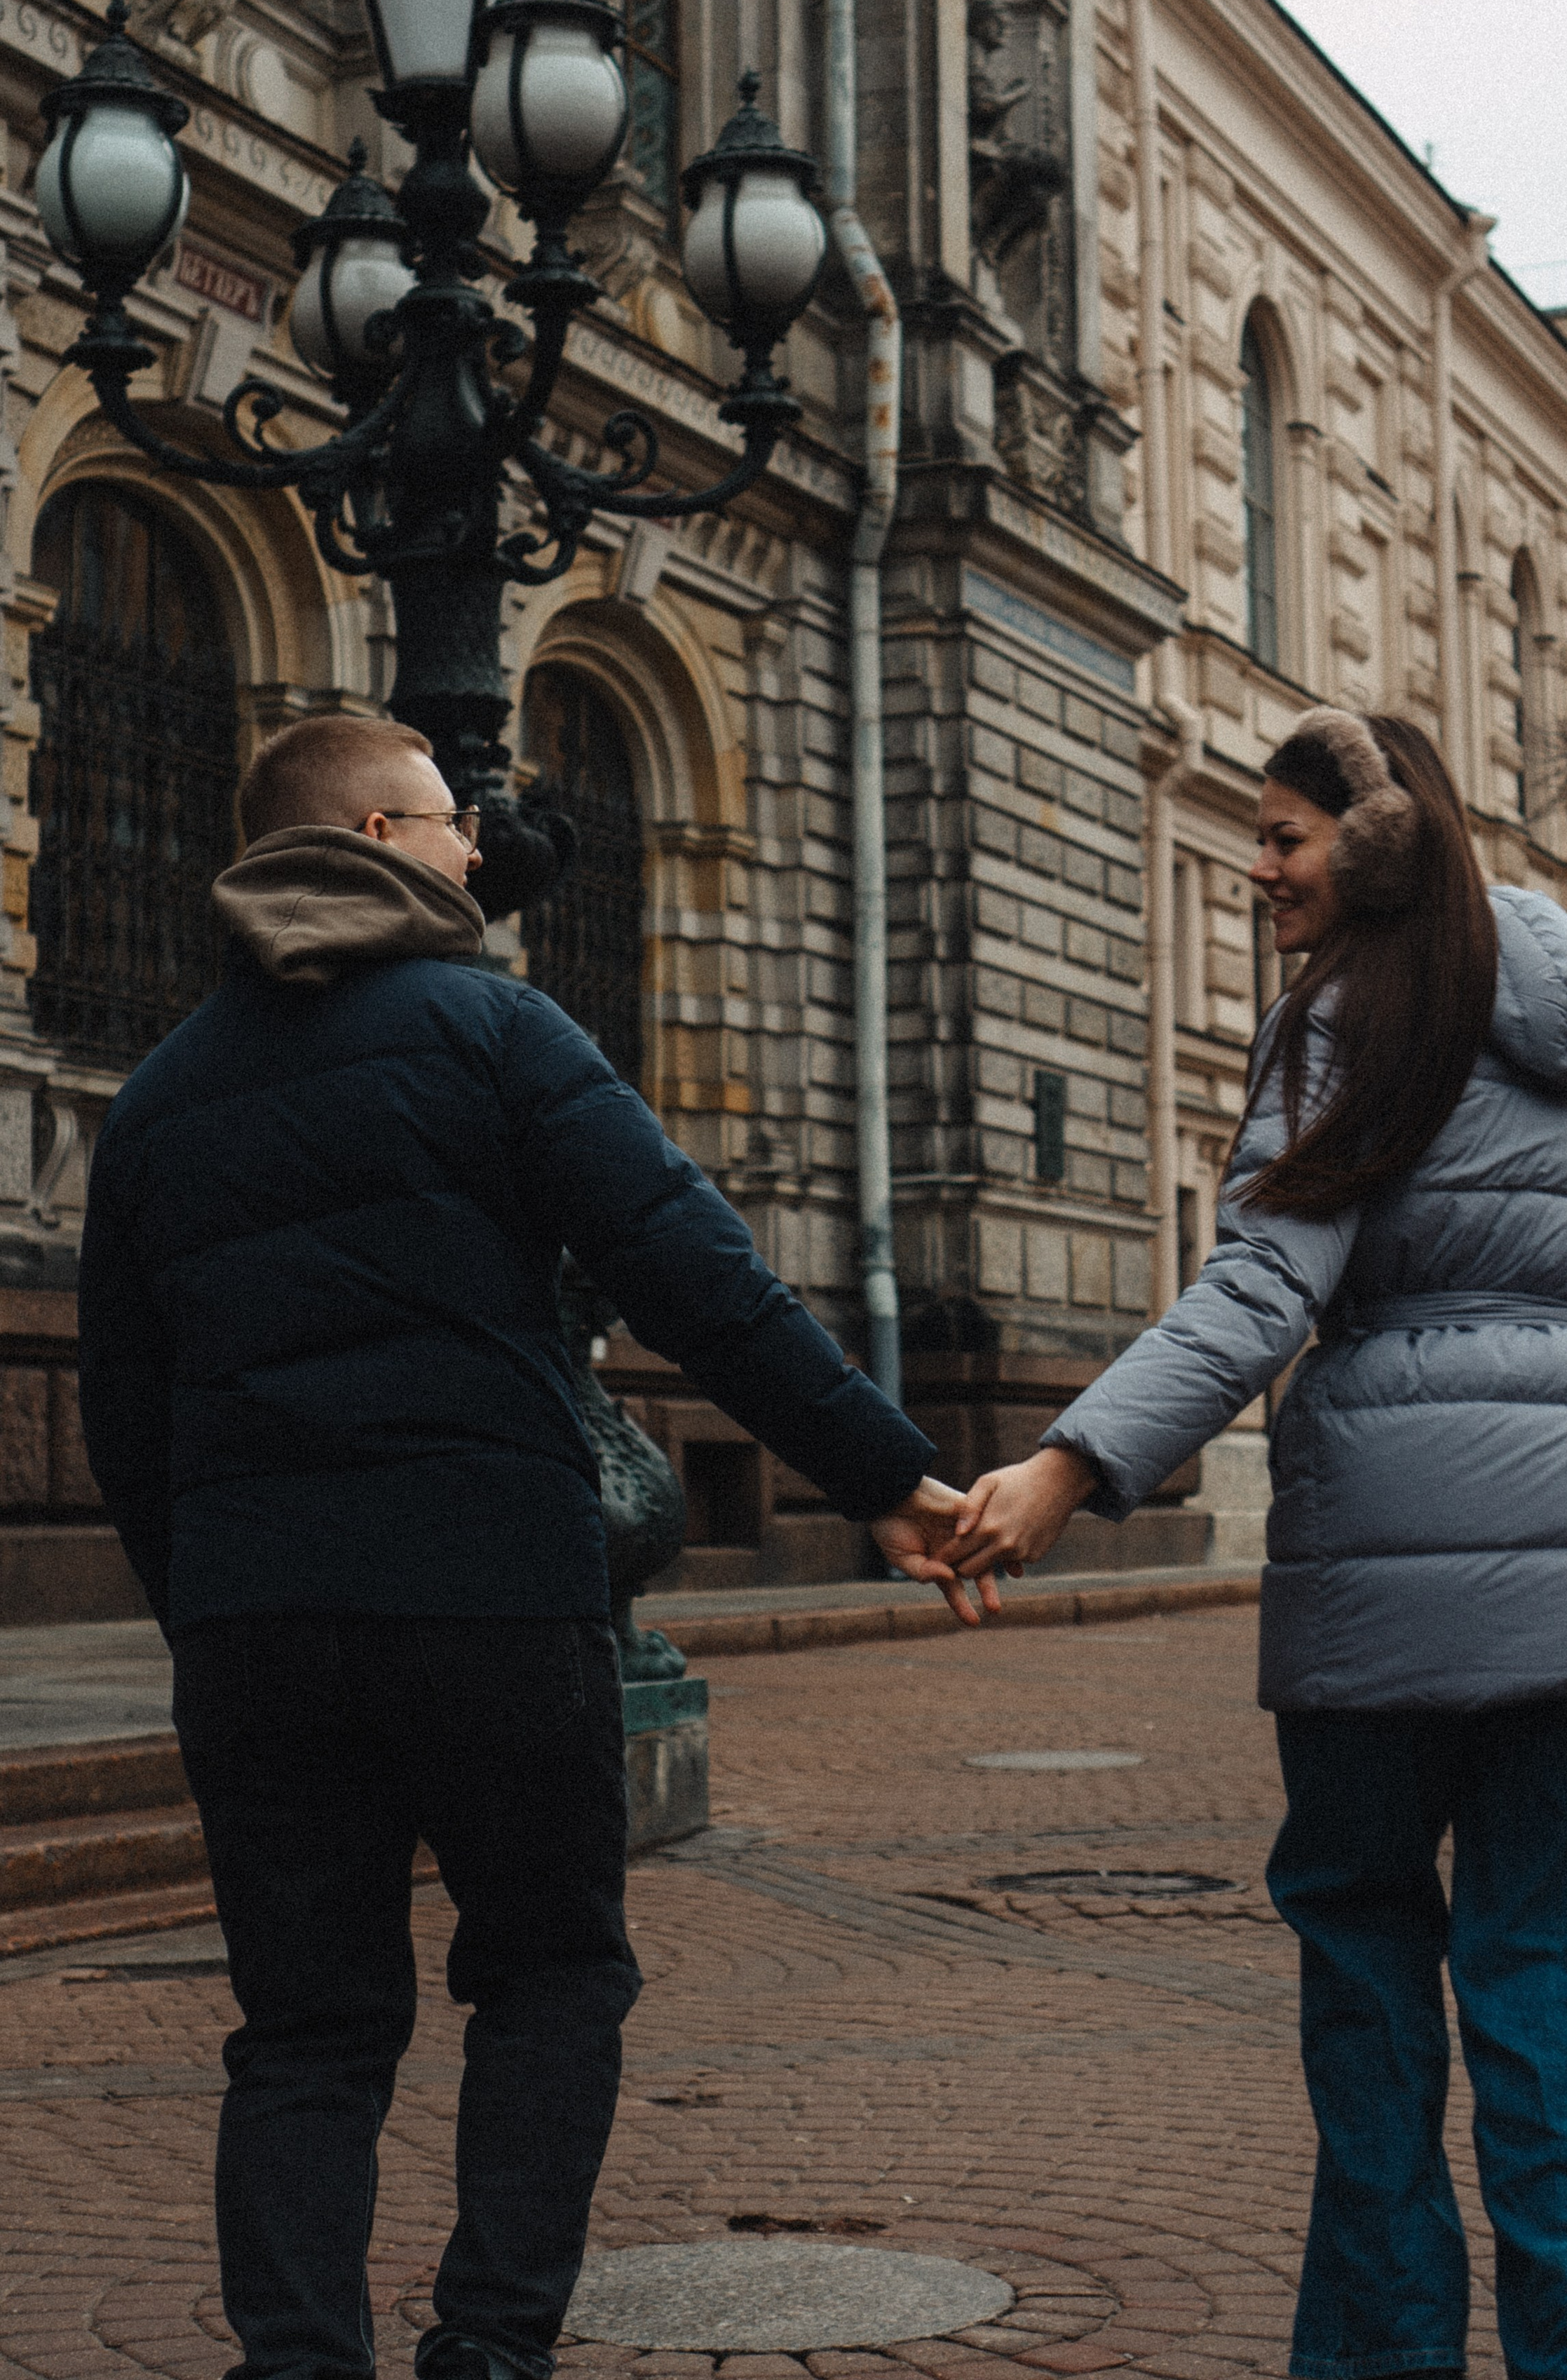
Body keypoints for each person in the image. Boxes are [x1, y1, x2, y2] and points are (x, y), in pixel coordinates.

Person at [77, 712, 994, 2380]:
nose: (475, 850)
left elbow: (127, 1416)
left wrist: (211, 1599)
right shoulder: (497, 1033)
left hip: (259, 1625)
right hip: (490, 1600)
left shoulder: (156, 1102)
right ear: (369, 833)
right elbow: (697, 1276)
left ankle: (297, 2363)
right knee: (554, 1974)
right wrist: (880, 1475)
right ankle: (487, 2354)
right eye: (447, 824)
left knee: (304, 2029)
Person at [944, 707, 1567, 2380]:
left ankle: (1379, 2359)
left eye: (1281, 835)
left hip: (1382, 1598)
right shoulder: (1557, 1017)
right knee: (1553, 1995)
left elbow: (1261, 1292)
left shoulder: (1341, 1014)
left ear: (1366, 843)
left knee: (1365, 1971)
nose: (1256, 863)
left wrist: (1065, 1467)